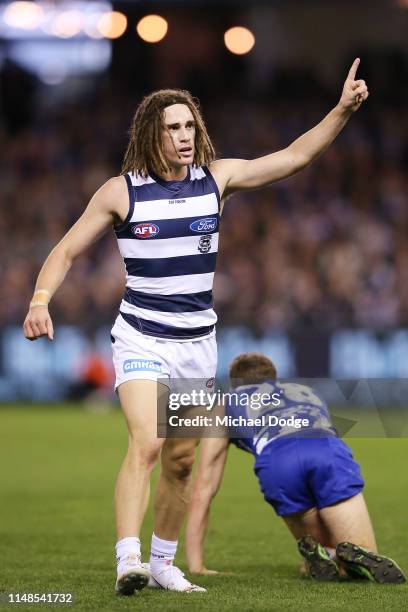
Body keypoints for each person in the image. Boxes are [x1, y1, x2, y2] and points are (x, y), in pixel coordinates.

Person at [23, 59, 369, 595]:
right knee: (148, 441)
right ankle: (128, 560)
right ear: (150, 134)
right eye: (172, 128)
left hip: (196, 345)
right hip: (141, 336)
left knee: (183, 462)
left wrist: (342, 111)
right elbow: (65, 250)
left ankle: (163, 563)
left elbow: (296, 157)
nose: (184, 136)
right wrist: (41, 299)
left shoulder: (217, 180)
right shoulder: (122, 192)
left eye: (189, 126)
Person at [185, 352, 406, 584]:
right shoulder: (306, 391)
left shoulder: (228, 403)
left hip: (278, 463)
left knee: (325, 548)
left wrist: (196, 564)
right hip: (325, 449)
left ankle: (323, 554)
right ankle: (338, 556)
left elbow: (204, 488)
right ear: (274, 377)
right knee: (361, 552)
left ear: (234, 384)